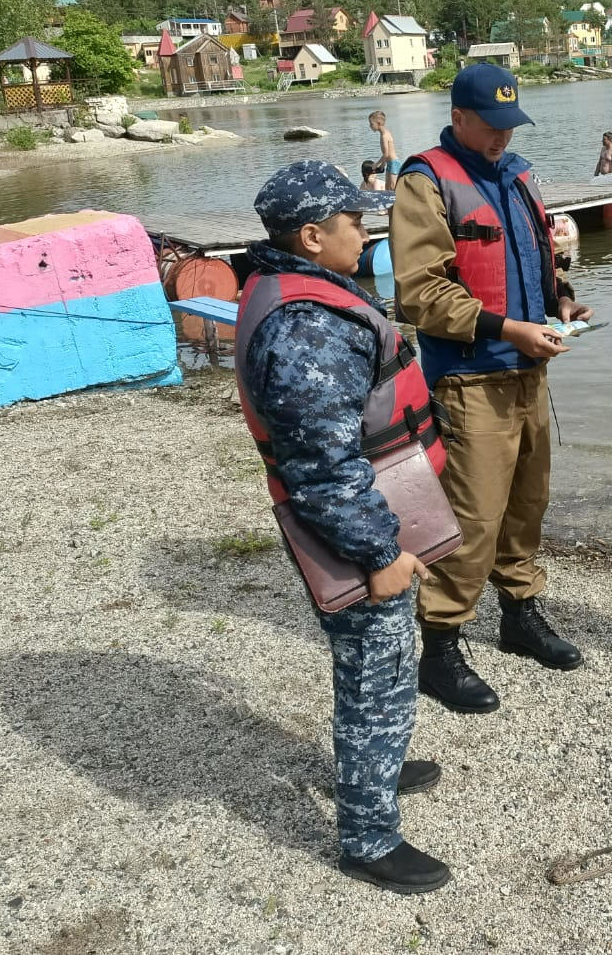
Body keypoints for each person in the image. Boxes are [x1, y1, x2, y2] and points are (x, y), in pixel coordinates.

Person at [234, 159, 450, 894]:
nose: (366, 229)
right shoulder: (303, 327)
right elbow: (322, 467)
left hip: (372, 509)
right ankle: (367, 835)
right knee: (376, 672)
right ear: (311, 236)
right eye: (354, 221)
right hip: (353, 532)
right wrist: (382, 552)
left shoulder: (302, 290)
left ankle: (373, 766)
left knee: (375, 666)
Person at [389, 64, 590, 714]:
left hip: (532, 369)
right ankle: (440, 645)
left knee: (528, 501)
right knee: (472, 514)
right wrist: (506, 327)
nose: (504, 138)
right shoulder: (426, 180)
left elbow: (538, 259)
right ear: (461, 117)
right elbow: (418, 293)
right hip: (471, 378)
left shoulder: (520, 173)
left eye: (511, 126)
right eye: (493, 126)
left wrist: (563, 300)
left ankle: (520, 614)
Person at [369, 111, 399, 191]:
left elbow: (386, 154)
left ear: (378, 123)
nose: (370, 126)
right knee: (387, 188)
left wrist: (376, 164)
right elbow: (387, 154)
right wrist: (383, 165)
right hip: (390, 163)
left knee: (393, 188)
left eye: (371, 124)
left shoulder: (384, 136)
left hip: (393, 163)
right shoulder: (385, 133)